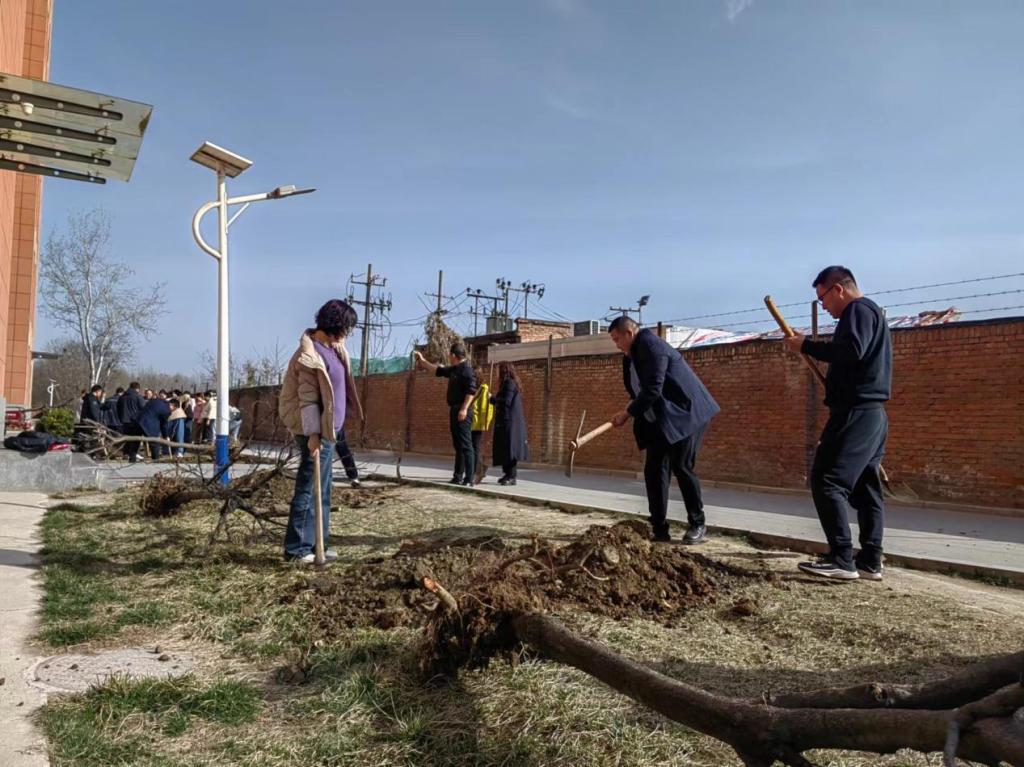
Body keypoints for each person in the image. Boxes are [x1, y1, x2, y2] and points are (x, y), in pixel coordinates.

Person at [782, 266, 892, 581]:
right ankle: (870, 560)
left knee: (827, 480)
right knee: (865, 488)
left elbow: (852, 350)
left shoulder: (858, 310)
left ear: (838, 289)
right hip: (871, 414)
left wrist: (806, 345)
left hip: (855, 412)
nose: (824, 306)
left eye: (823, 299)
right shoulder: (871, 313)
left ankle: (842, 558)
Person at [609, 316, 720, 544]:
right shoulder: (629, 358)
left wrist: (627, 413)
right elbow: (636, 392)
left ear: (629, 334)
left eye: (617, 339)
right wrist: (629, 409)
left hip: (687, 414)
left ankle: (698, 524)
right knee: (655, 470)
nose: (616, 344)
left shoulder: (652, 347)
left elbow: (653, 389)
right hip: (662, 418)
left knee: (681, 465)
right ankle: (659, 529)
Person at [278, 299, 356, 564]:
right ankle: (297, 549)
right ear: (336, 325)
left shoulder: (332, 349)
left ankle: (318, 544)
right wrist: (313, 434)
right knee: (309, 486)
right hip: (315, 431)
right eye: (346, 327)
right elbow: (308, 398)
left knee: (323, 488)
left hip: (329, 430)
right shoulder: (309, 355)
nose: (347, 333)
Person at [413, 343, 477, 486]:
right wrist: (422, 361)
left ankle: (469, 478)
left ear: (453, 355)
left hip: (463, 410)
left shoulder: (466, 370)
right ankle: (458, 476)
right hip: (454, 409)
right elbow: (438, 370)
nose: (448, 356)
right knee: (458, 445)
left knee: (466, 445)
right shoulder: (454, 369)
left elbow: (471, 391)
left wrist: (464, 409)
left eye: (449, 354)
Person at [333, 334, 364, 488]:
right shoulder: (322, 351)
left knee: (340, 444)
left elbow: (348, 384)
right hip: (324, 409)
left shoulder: (340, 353)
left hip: (336, 411)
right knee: (328, 446)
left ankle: (353, 475)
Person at [490, 362, 528, 485]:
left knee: (510, 449)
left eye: (498, 370)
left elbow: (506, 401)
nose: (497, 373)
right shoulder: (506, 384)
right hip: (505, 422)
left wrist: (493, 399)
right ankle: (507, 474)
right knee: (504, 448)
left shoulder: (510, 383)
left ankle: (512, 476)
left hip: (510, 423)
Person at [125, 392, 171, 463]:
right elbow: (164, 424)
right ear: (173, 406)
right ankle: (156, 459)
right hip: (148, 423)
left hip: (137, 419)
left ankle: (132, 458)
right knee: (154, 442)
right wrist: (166, 436)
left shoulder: (155, 401)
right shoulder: (167, 410)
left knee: (135, 440)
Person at [470, 365, 495, 483]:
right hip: (473, 421)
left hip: (476, 422)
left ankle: (478, 471)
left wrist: (483, 423)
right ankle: (479, 469)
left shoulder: (482, 389)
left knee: (474, 446)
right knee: (472, 446)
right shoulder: (475, 387)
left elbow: (484, 407)